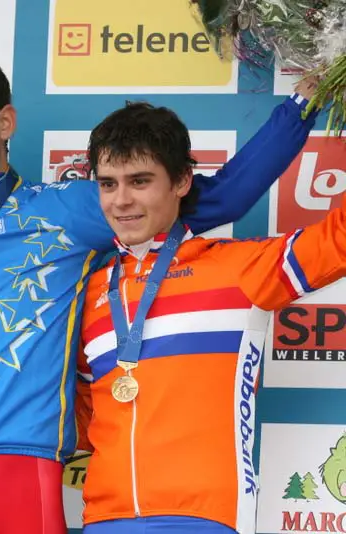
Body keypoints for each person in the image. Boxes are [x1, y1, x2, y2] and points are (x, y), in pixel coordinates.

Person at [0, 47, 318, 533]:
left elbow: (222, 196)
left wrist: (301, 106)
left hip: (22, 470)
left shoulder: (71, 209)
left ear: (5, 121)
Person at [75, 99, 344, 534]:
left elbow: (338, 238)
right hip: (105, 519)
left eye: (140, 181)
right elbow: (86, 417)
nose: (121, 200)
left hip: (202, 517)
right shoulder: (91, 294)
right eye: (108, 184)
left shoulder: (239, 269)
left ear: (181, 181)